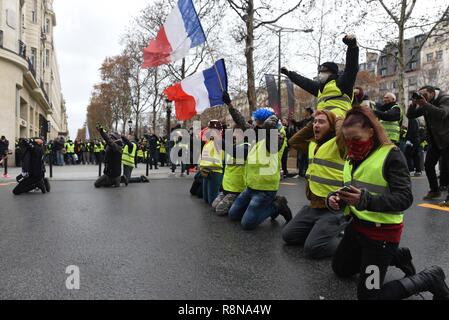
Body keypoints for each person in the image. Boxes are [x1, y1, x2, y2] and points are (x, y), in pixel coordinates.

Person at [327, 106, 449, 300]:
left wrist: (364, 199)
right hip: (357, 228)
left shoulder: (391, 155)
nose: (351, 144)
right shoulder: (353, 156)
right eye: (347, 140)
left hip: (380, 236)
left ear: (371, 131)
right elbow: (351, 189)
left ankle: (429, 278)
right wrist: (335, 198)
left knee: (369, 297)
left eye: (356, 139)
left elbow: (404, 198)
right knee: (340, 269)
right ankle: (397, 257)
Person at [283, 110, 348, 259]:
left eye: (321, 122)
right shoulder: (312, 144)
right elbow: (293, 141)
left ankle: (351, 241)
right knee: (288, 236)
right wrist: (311, 122)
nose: (316, 125)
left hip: (334, 208)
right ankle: (320, 231)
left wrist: (338, 119)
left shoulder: (340, 144)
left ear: (332, 126)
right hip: (314, 206)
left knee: (313, 249)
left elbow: (342, 136)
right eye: (315, 122)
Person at [223, 92, 292, 230]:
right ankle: (256, 208)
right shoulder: (257, 133)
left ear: (266, 125)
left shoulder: (278, 137)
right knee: (233, 215)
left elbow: (273, 146)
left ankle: (277, 205)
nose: (255, 127)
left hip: (265, 188)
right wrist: (230, 105)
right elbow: (242, 122)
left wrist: (268, 130)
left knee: (247, 224)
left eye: (258, 124)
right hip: (251, 186)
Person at [281, 34, 359, 119]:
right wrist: (289, 74)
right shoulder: (320, 88)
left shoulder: (342, 83)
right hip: (322, 124)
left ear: (332, 73)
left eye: (324, 71)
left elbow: (351, 67)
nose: (320, 74)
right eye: (320, 72)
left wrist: (352, 47)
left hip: (339, 124)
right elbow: (304, 82)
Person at [406, 86, 449, 201]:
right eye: (420, 96)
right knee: (428, 165)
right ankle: (435, 191)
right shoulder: (427, 102)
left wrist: (425, 104)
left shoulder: (445, 99)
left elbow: (442, 114)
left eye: (424, 95)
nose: (422, 98)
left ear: (431, 93)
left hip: (447, 140)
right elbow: (410, 115)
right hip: (435, 141)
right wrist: (414, 104)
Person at [212, 125, 250, 216]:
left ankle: (244, 203)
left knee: (220, 211)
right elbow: (227, 169)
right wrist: (222, 188)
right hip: (227, 187)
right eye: (234, 132)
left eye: (237, 132)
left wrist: (219, 140)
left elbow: (236, 152)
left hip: (238, 188)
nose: (234, 134)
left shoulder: (247, 147)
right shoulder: (232, 147)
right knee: (214, 206)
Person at [199, 120, 225, 205]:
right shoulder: (209, 142)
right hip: (205, 170)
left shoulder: (219, 141)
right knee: (206, 199)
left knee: (212, 200)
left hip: (215, 170)